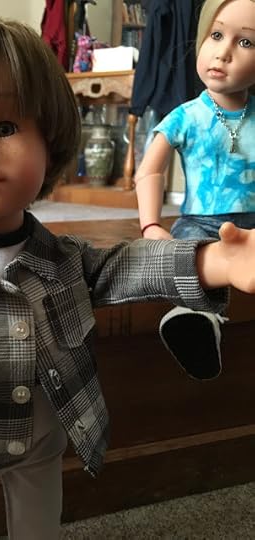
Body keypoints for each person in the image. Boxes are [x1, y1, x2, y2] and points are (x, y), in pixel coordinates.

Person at [0, 10, 255, 540]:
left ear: (49, 142)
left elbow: (130, 264)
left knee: (39, 526)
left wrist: (216, 260)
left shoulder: (65, 259)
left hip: (44, 440)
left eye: (5, 127)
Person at [135, 0, 255, 380]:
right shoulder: (186, 116)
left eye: (246, 42)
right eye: (216, 35)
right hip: (199, 224)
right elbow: (150, 170)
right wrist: (150, 224)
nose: (223, 52)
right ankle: (196, 319)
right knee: (185, 256)